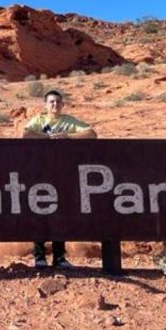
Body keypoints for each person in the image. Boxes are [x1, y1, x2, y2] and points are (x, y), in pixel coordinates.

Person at [21, 89, 97, 269]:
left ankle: (59, 258)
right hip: (40, 174)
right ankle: (39, 256)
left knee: (60, 215)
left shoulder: (69, 121)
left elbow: (91, 134)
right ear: (45, 105)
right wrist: (47, 137)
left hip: (63, 174)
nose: (55, 105)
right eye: (51, 102)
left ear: (62, 105)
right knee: (39, 213)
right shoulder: (39, 120)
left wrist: (67, 136)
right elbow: (26, 135)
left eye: (58, 102)